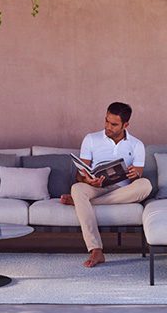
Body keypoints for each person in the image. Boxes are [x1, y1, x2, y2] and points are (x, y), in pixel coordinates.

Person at [61, 101, 152, 267]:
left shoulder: (137, 145)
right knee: (77, 188)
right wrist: (87, 180)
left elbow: (137, 177)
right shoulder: (91, 139)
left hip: (122, 190)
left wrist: (135, 175)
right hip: (95, 187)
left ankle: (79, 202)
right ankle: (96, 249)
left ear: (126, 125)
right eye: (106, 121)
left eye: (114, 124)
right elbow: (80, 175)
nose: (108, 127)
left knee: (146, 185)